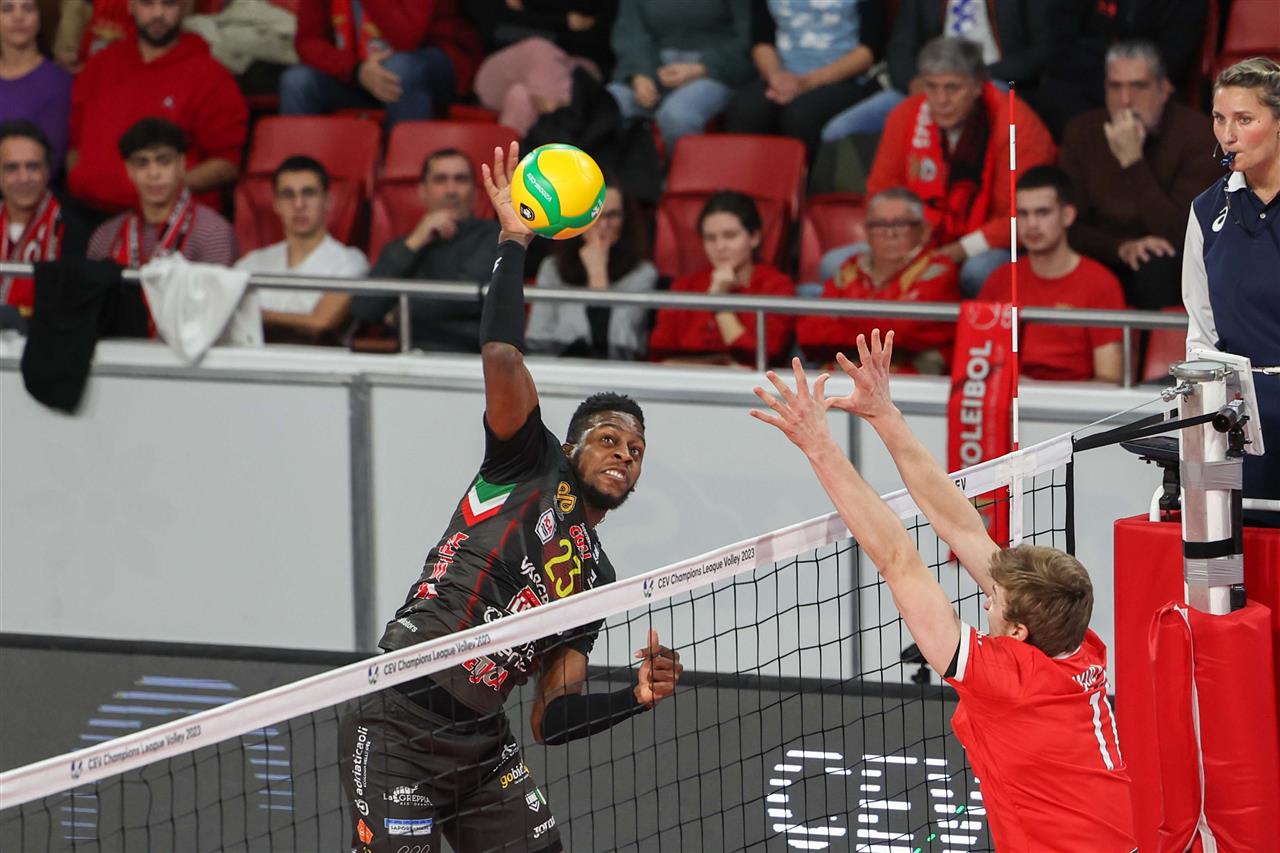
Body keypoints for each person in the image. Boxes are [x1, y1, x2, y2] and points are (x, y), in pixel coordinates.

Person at [339, 142, 682, 853]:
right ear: (574, 443)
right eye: (610, 438)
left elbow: (551, 718)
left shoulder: (598, 579)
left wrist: (635, 696)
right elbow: (500, 355)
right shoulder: (529, 457)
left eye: (636, 450)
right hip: (400, 723)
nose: (624, 453)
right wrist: (514, 243)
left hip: (482, 751)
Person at [751, 334, 1137, 852]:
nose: (986, 600)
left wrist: (817, 444)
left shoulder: (1010, 680)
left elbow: (898, 561)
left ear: (1019, 632)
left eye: (995, 602)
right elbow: (963, 527)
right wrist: (885, 415)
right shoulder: (1075, 642)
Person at [860, 36, 1055, 297]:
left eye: (952, 88)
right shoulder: (904, 116)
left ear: (977, 86)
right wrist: (903, 242)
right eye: (931, 87)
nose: (941, 100)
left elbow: (1022, 217)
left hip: (989, 247)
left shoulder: (1016, 125)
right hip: (915, 239)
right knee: (833, 263)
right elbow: (881, 194)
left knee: (977, 271)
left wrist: (959, 250)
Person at [1183, 57, 1280, 517]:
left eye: (1244, 119)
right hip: (1235, 420)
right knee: (1225, 550)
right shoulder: (1205, 212)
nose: (1228, 135)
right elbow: (1200, 332)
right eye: (1219, 119)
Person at [1059, 40, 1221, 309]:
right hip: (1104, 253)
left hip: (1167, 265)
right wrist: (1121, 247)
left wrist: (1133, 162)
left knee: (1156, 264)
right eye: (1115, 87)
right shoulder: (1082, 132)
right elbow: (1068, 225)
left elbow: (1183, 236)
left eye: (1138, 86)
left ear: (1164, 89)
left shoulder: (1198, 136)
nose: (1125, 100)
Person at [66, 0, 247, 217]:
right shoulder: (99, 65)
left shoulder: (211, 76)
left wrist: (163, 189)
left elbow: (226, 164)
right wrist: (80, 179)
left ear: (184, 7)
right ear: (131, 6)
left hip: (168, 220)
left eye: (169, 4)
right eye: (147, 3)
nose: (158, 13)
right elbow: (75, 144)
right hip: (86, 214)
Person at [821, 0, 1048, 143]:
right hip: (930, 83)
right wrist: (913, 81)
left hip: (993, 80)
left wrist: (976, 78)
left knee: (974, 118)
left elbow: (1044, 52)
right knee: (839, 132)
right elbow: (900, 47)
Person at [979, 166, 1124, 383]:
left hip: (1072, 402)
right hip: (1008, 398)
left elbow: (1110, 380)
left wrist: (1038, 389)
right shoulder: (998, 279)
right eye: (1023, 214)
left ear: (1068, 215)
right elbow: (979, 365)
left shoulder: (1101, 283)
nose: (1031, 224)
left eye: (1043, 212)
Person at [350, 148, 500, 352]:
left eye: (461, 180)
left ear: (475, 192)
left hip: (467, 355)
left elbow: (467, 296)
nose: (451, 190)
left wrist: (399, 313)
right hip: (402, 356)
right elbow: (364, 308)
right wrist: (415, 242)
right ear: (422, 191)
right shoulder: (405, 245)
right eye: (440, 180)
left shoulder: (494, 236)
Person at [797, 188, 959, 373]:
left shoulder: (939, 268)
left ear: (924, 231)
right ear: (867, 232)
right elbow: (810, 332)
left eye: (900, 224)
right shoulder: (850, 268)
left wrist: (843, 323)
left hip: (910, 377)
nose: (889, 233)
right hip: (850, 371)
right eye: (879, 224)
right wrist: (880, 329)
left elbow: (903, 331)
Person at [647, 190, 794, 366]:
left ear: (754, 237)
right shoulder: (684, 286)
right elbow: (658, 358)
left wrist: (720, 304)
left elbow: (760, 360)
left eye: (730, 236)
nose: (720, 246)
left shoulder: (777, 287)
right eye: (710, 238)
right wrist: (724, 363)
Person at [723, 0, 885, 158]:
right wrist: (776, 77)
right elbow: (762, 41)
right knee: (747, 108)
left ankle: (806, 176)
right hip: (781, 75)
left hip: (843, 78)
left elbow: (868, 51)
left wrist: (807, 82)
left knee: (801, 116)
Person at [234, 156, 369, 344]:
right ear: (277, 204)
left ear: (327, 201)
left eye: (309, 193)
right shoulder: (251, 263)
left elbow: (320, 324)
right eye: (288, 195)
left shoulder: (349, 261)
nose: (299, 205)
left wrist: (252, 315)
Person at [283, 0, 481, 128]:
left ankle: (407, 175)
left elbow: (407, 37)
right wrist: (357, 70)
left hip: (432, 66)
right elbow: (307, 42)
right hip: (359, 71)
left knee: (400, 69)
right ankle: (301, 177)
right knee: (297, 81)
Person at [1035, 0, 1209, 138]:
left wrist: (1097, 48)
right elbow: (1057, 50)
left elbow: (1170, 61)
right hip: (1083, 86)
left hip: (1149, 89)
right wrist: (1115, 55)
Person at [526, 183, 657, 361]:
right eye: (595, 215)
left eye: (613, 215)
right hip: (559, 369)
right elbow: (537, 340)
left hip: (614, 373)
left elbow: (618, 344)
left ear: (625, 220)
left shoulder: (643, 273)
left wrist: (598, 276)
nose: (603, 225)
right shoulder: (552, 268)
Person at [86, 118, 237, 271]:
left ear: (181, 164)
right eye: (142, 163)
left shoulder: (214, 233)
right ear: (129, 170)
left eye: (164, 161)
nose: (154, 173)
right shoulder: (105, 237)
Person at [607, 0, 753, 150]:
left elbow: (749, 36)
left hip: (716, 70)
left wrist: (700, 68)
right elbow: (630, 32)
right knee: (608, 105)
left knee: (677, 116)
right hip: (651, 66)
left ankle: (684, 165)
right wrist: (640, 74)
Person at [466, 0, 616, 136]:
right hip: (505, 68)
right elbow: (496, 29)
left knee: (520, 97)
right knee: (538, 49)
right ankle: (564, 140)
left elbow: (601, 41)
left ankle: (514, 157)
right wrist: (564, 22)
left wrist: (528, 13)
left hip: (577, 68)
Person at [0, 120, 88, 317]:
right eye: (12, 168)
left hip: (47, 332)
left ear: (48, 171)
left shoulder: (74, 229)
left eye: (33, 167)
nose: (24, 178)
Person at [0, 0, 72, 179]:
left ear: (40, 18)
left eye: (28, 8)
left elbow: (51, 161)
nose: (18, 17)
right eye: (7, 9)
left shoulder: (58, 82)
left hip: (27, 187)